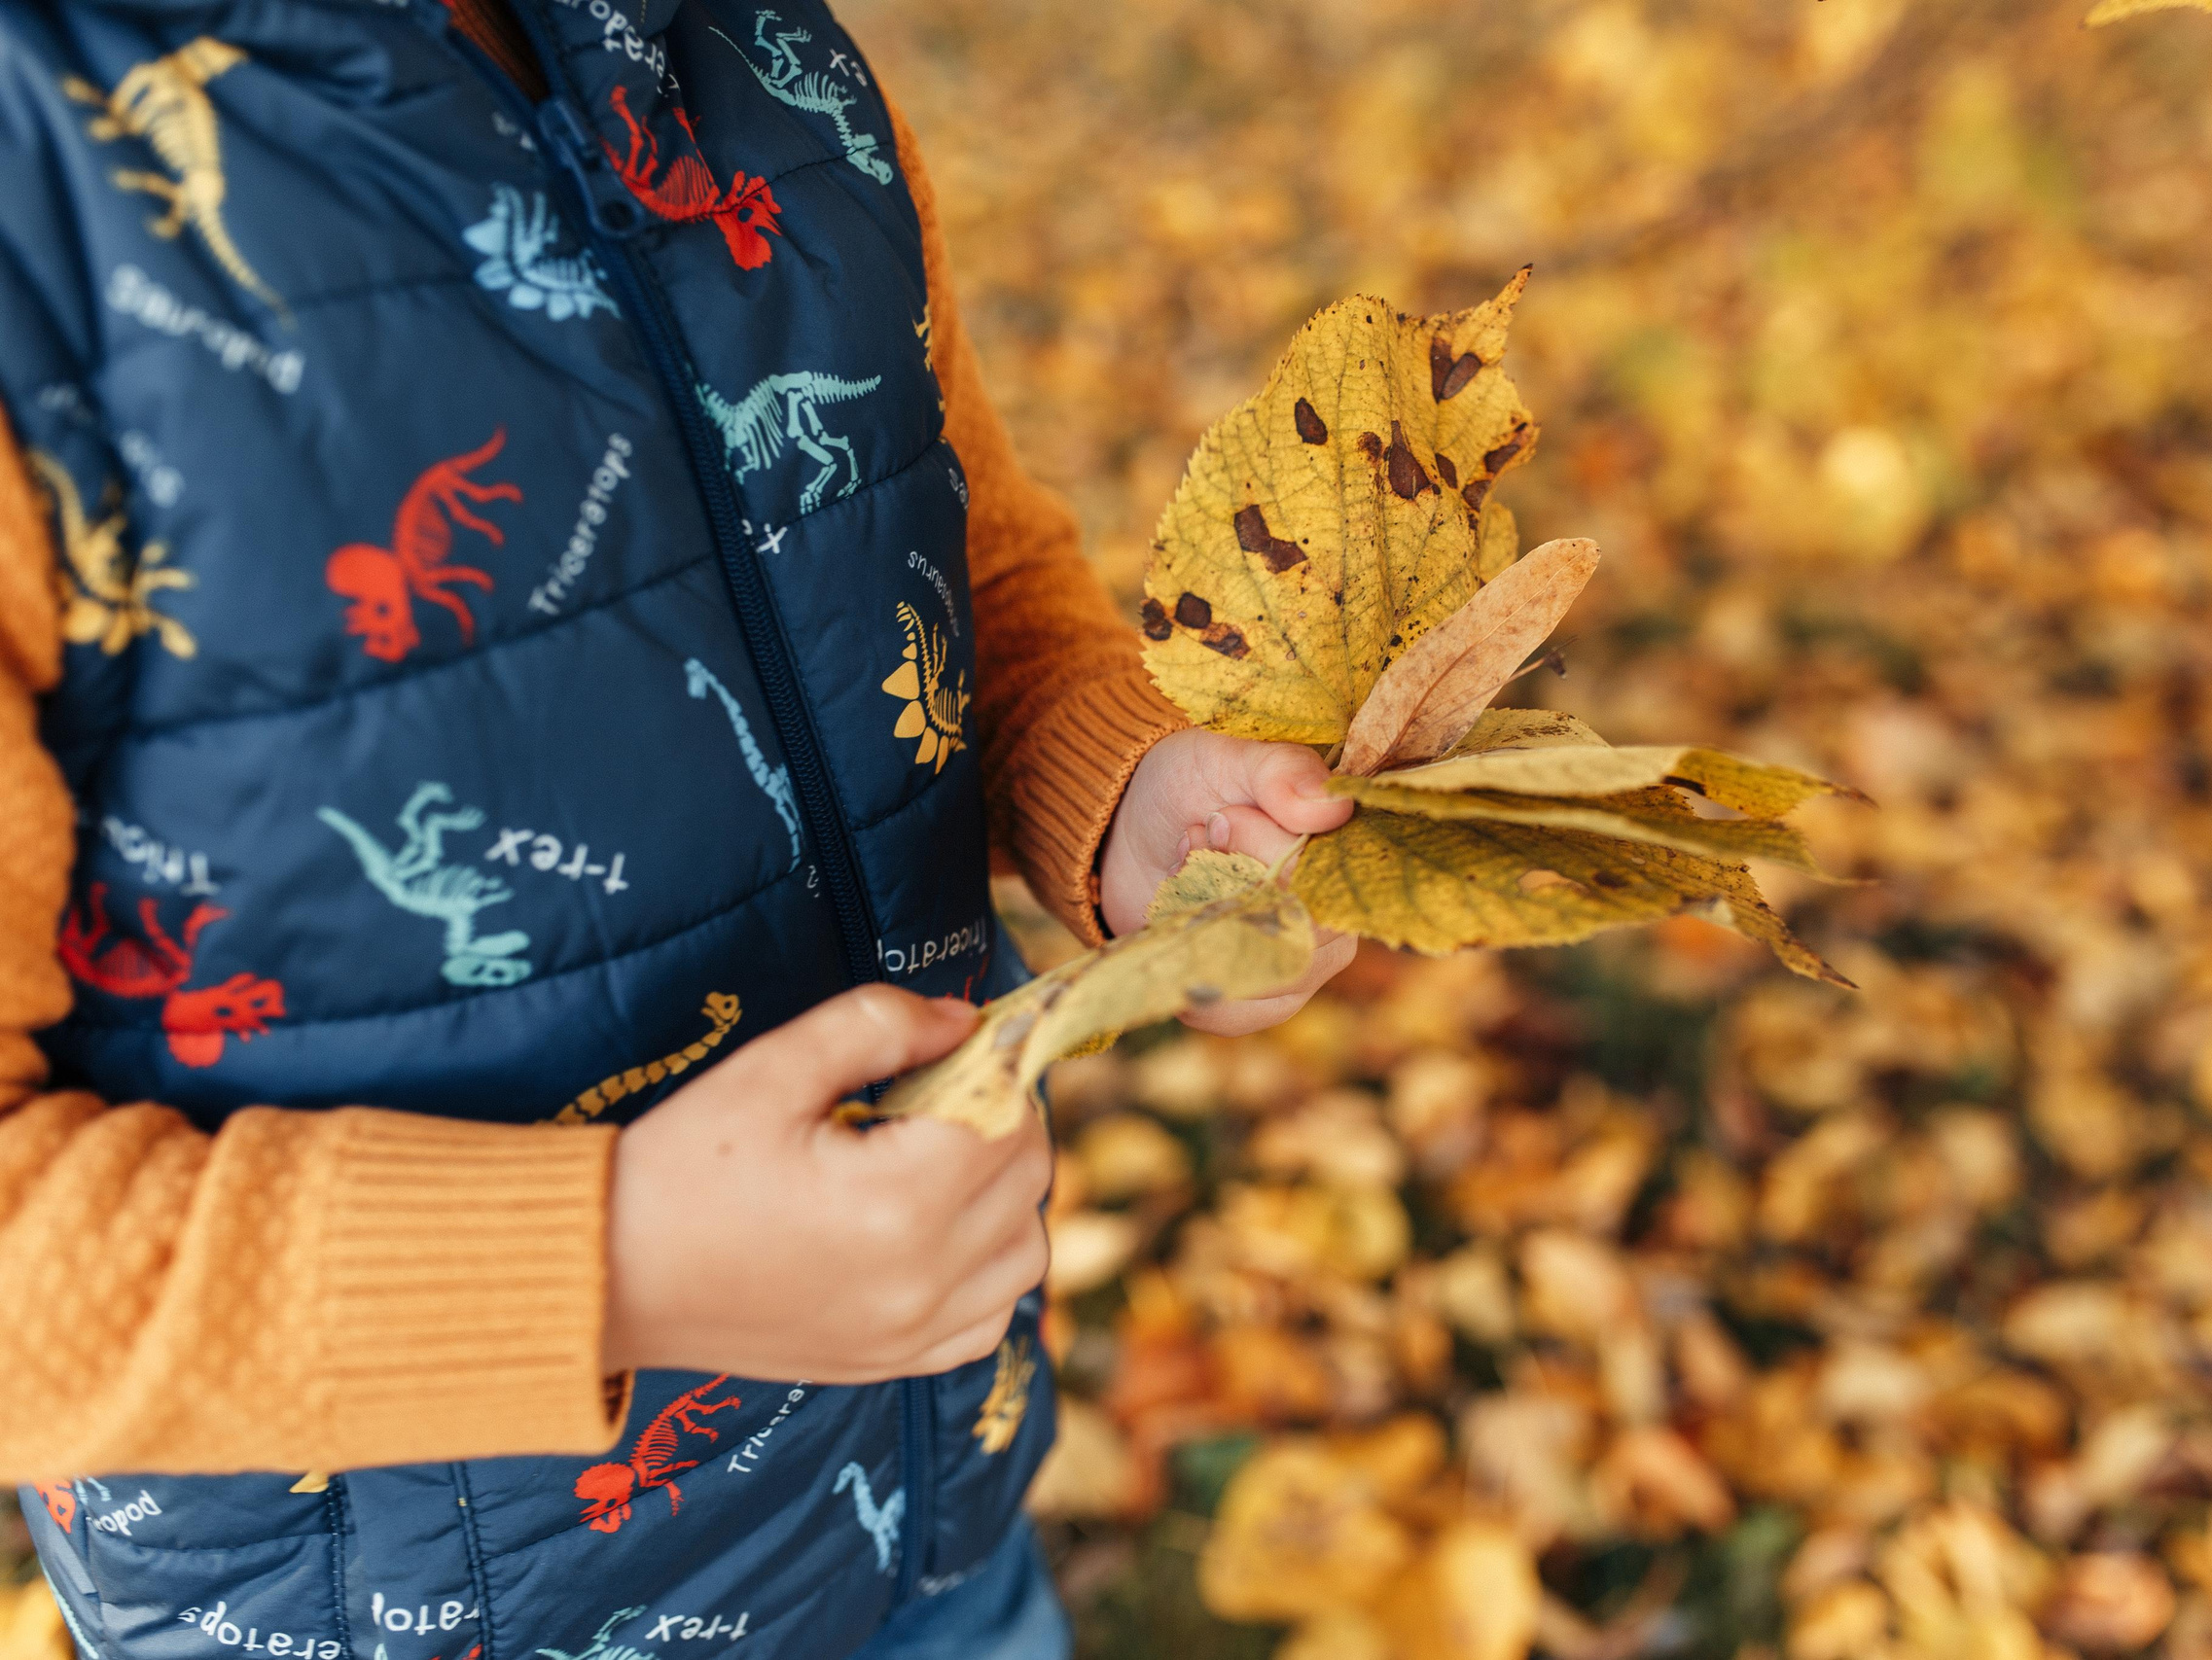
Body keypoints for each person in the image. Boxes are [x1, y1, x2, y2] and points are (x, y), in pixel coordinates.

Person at [0, 1, 1354, 1655]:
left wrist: (1123, 786)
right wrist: (609, 1265)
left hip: (926, 1508)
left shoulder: (747, 55)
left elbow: (947, 548)